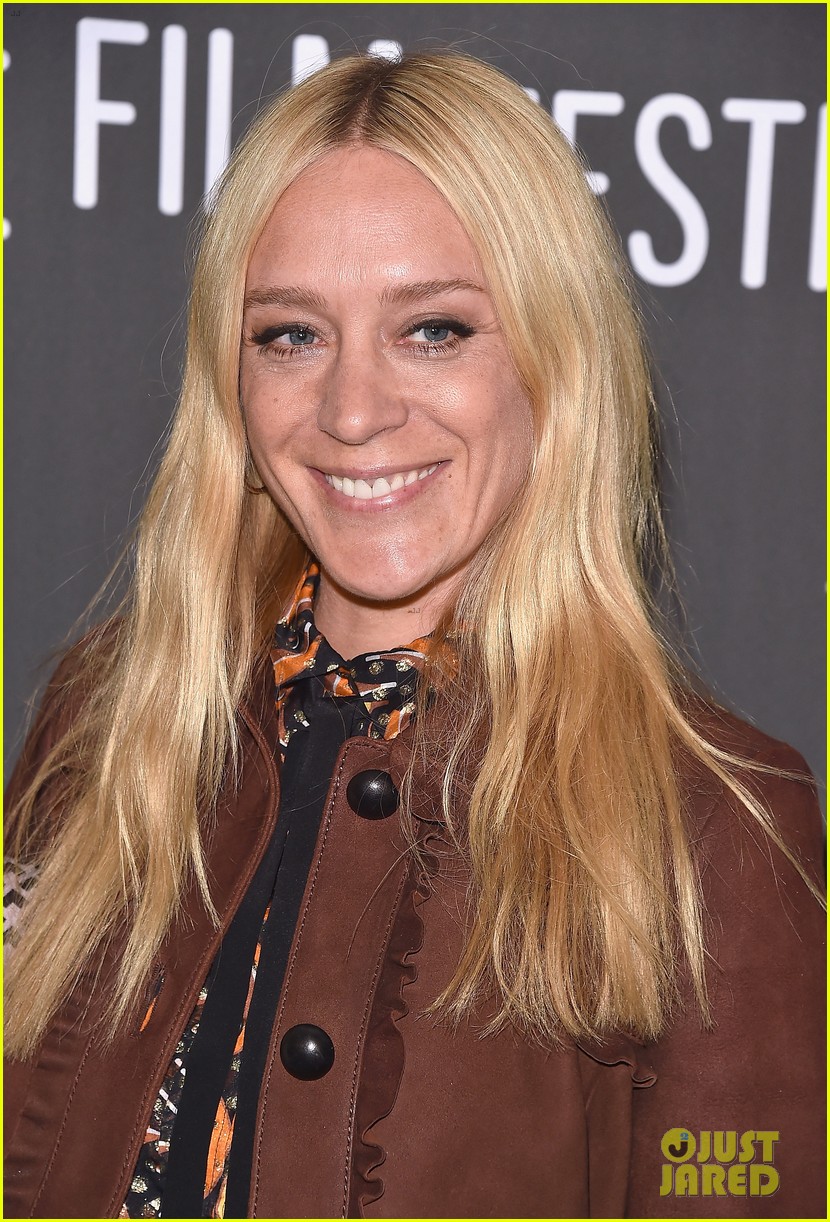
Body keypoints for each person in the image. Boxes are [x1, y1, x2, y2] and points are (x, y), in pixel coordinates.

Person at [3, 49, 824, 1220]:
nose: (351, 411)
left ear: (555, 362)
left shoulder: (717, 832)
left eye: (432, 329)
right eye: (291, 335)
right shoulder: (106, 722)